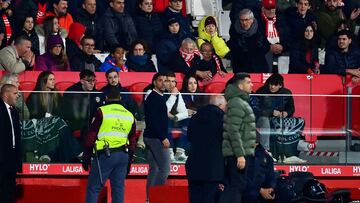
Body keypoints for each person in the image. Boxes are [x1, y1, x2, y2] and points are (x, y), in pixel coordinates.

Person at [83, 88, 137, 203]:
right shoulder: (129, 115)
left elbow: (91, 135)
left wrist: (86, 155)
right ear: (120, 99)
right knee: (118, 190)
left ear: (106, 98)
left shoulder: (102, 111)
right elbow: (132, 140)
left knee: (94, 188)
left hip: (106, 155)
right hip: (123, 155)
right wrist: (130, 160)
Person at [220, 73, 257, 203]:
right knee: (236, 187)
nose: (252, 84)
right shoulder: (236, 102)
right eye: (248, 82)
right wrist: (240, 155)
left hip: (239, 152)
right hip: (237, 154)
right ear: (240, 86)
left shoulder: (240, 101)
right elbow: (233, 130)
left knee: (236, 186)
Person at [186, 95, 227, 203]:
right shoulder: (222, 118)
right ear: (220, 105)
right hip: (213, 170)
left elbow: (189, 137)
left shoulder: (195, 117)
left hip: (194, 168)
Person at [143, 72, 170, 201]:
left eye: (165, 80)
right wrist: (163, 137)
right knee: (165, 169)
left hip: (151, 137)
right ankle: (156, 198)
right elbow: (153, 120)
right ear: (154, 82)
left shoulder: (158, 97)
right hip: (156, 138)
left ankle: (149, 199)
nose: (163, 83)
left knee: (154, 169)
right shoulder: (154, 97)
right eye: (160, 80)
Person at [228, 9, 270, 73]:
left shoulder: (260, 30)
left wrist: (260, 47)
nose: (244, 23)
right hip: (240, 68)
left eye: (246, 20)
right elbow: (232, 49)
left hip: (258, 67)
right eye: (242, 20)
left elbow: (266, 47)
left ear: (252, 20)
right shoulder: (234, 32)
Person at [0, 84, 22, 203]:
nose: (18, 95)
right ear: (5, 94)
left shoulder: (14, 112)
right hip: (1, 159)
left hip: (11, 158)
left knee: (9, 191)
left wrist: (18, 162)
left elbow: (17, 137)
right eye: (15, 93)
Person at [164, 72, 189, 163]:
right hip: (160, 120)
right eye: (168, 81)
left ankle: (180, 152)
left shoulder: (177, 93)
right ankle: (169, 152)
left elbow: (184, 112)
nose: (171, 84)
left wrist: (175, 117)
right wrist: (173, 95)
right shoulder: (157, 92)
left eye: (173, 81)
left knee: (188, 120)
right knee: (165, 119)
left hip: (172, 119)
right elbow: (163, 110)